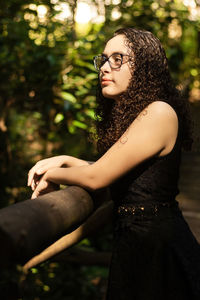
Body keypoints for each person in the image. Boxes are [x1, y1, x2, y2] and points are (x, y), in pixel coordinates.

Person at [28, 28, 200, 299]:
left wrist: (54, 174)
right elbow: (122, 171)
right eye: (104, 59)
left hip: (158, 249)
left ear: (144, 65)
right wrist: (66, 160)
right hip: (135, 245)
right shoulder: (141, 114)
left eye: (118, 58)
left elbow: (98, 177)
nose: (105, 68)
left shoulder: (159, 111)